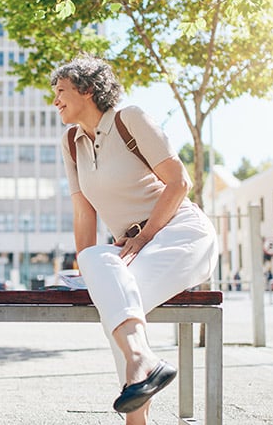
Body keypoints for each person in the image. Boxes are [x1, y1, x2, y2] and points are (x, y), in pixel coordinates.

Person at [51, 55, 218, 425]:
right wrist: (87, 272)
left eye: (61, 91)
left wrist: (146, 237)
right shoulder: (70, 141)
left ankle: (136, 419)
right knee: (97, 265)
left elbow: (179, 183)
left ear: (88, 89)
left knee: (120, 300)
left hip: (179, 232)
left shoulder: (132, 118)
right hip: (130, 246)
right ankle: (144, 362)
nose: (55, 101)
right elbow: (84, 212)